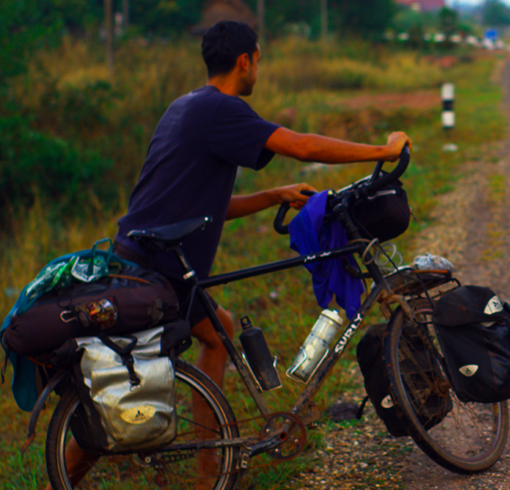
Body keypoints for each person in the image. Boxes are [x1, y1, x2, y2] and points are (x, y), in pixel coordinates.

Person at [50, 20, 412, 487]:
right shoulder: (222, 109)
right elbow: (301, 146)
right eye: (258, 61)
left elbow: (201, 206)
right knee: (123, 390)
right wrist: (383, 150)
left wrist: (272, 196)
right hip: (158, 270)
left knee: (216, 335)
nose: (258, 69)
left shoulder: (186, 106)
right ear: (245, 61)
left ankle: (212, 475)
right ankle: (66, 480)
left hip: (147, 258)